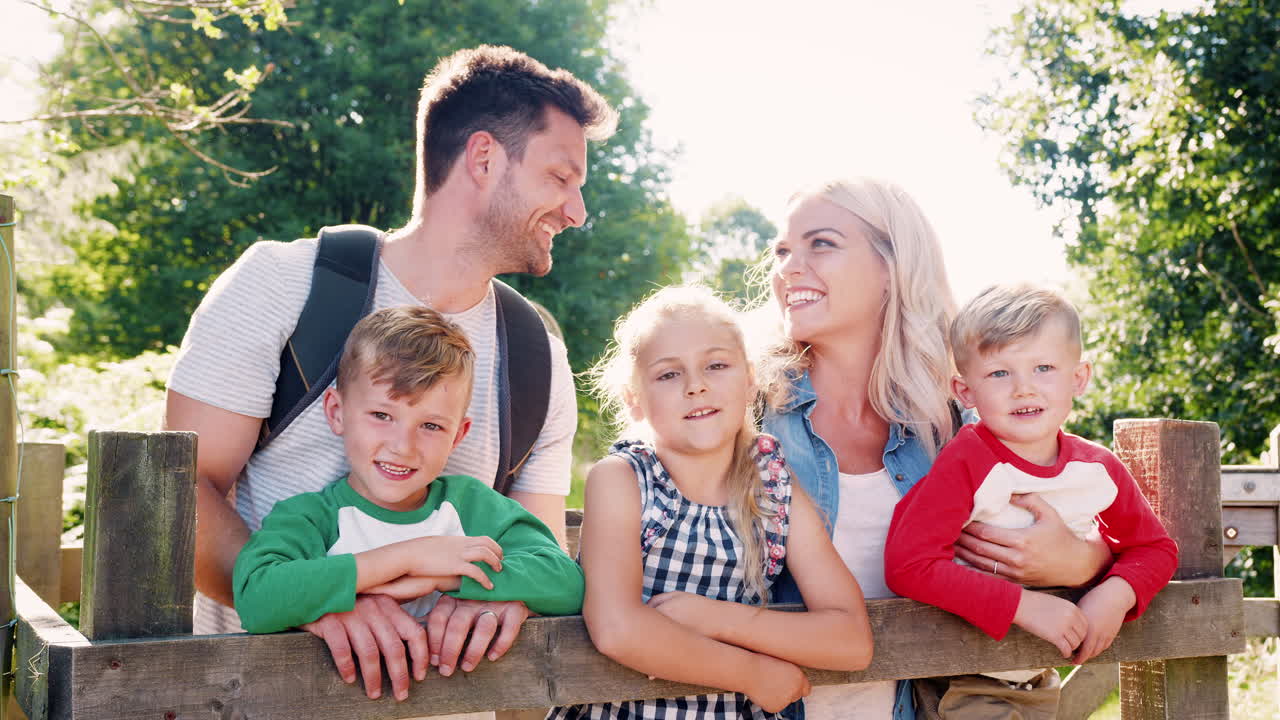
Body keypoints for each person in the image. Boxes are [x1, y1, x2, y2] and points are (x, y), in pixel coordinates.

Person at [164, 44, 617, 702]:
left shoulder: (537, 355)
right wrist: (322, 596)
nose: (576, 211)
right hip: (256, 702)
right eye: (560, 177)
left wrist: (506, 600)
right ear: (484, 158)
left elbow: (535, 548)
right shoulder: (282, 286)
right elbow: (182, 496)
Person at [756, 178, 1115, 720]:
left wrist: (1085, 558)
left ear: (891, 267)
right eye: (782, 250)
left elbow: (1105, 533)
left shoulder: (957, 428)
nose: (788, 267)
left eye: (820, 244)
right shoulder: (743, 417)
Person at [549, 286, 874, 720]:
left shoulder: (772, 484)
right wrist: (753, 675)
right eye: (668, 374)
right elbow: (617, 629)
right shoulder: (624, 479)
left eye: (716, 365)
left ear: (749, 377)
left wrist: (716, 619)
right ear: (634, 398)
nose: (696, 386)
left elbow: (851, 640)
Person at [882, 284, 1178, 719]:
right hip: (961, 677)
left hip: (1037, 680)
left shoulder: (1098, 469)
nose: (1023, 388)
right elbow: (908, 564)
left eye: (1043, 368)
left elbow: (1155, 548)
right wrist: (1023, 605)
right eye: (1000, 373)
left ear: (1078, 378)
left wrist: (1114, 595)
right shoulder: (967, 460)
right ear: (965, 392)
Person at [234, 306, 585, 643]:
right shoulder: (309, 518)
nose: (403, 446)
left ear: (457, 436)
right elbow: (256, 598)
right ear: (337, 412)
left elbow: (566, 584)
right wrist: (410, 557)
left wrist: (447, 575)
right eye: (382, 416)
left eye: (431, 425)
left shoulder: (473, 507)